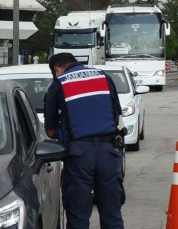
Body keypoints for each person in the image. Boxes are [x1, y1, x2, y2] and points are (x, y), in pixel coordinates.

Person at [44, 52, 125, 229]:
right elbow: (116, 116)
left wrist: (65, 130)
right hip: (109, 153)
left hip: (78, 156)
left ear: (57, 70)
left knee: (78, 216)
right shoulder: (104, 77)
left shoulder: (58, 85)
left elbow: (50, 132)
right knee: (112, 214)